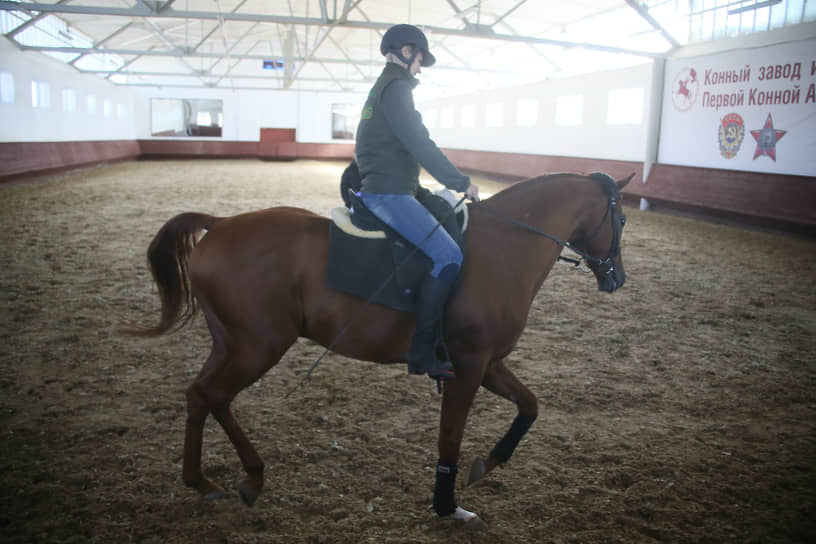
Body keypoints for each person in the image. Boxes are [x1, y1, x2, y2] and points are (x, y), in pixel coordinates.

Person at [354, 24, 479, 381]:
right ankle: (421, 350)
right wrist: (460, 183)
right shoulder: (396, 89)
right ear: (407, 51)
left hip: (397, 186)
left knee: (444, 213)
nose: (421, 68)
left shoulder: (384, 86)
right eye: (420, 59)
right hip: (390, 193)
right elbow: (420, 143)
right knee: (448, 255)